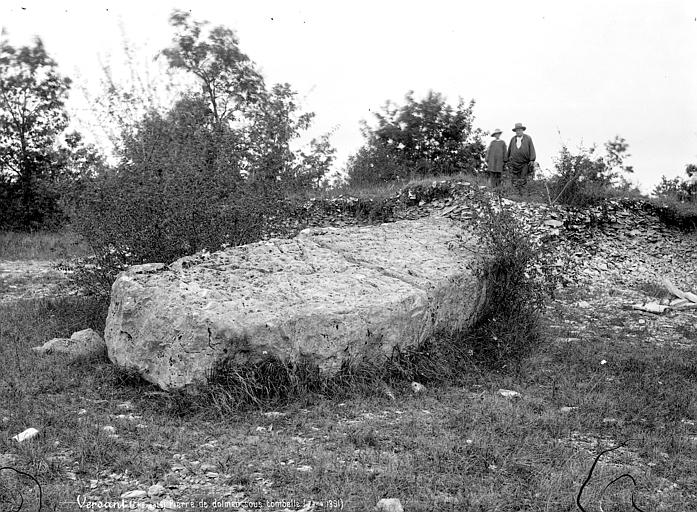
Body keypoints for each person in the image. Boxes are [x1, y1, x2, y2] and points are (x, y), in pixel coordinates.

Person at [506, 122, 536, 193]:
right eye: (517, 130)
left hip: (524, 163)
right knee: (514, 180)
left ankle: (523, 193)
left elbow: (532, 149)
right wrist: (506, 160)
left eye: (519, 130)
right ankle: (515, 193)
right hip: (514, 163)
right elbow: (509, 150)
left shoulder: (528, 138)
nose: (518, 132)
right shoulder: (513, 139)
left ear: (522, 130)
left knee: (523, 179)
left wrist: (532, 160)